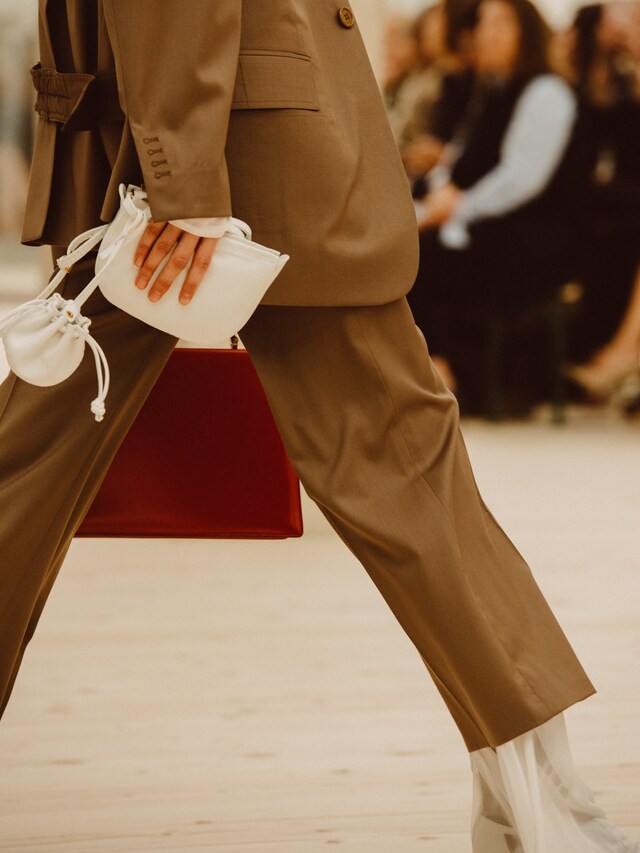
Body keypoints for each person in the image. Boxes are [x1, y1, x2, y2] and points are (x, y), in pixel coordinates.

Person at [0, 2, 637, 850]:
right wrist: (184, 180)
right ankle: (547, 803)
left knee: (24, 463)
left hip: (176, 137)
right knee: (404, 460)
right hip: (233, 155)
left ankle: (539, 795)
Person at [408, 0, 596, 404]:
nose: (486, 33)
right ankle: (439, 370)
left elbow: (522, 178)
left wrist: (455, 208)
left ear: (526, 32)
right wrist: (432, 201)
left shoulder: (546, 91)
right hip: (488, 226)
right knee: (400, 253)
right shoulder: (491, 91)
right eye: (483, 24)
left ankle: (442, 376)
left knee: (412, 259)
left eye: (500, 23)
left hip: (533, 240)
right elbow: (460, 162)